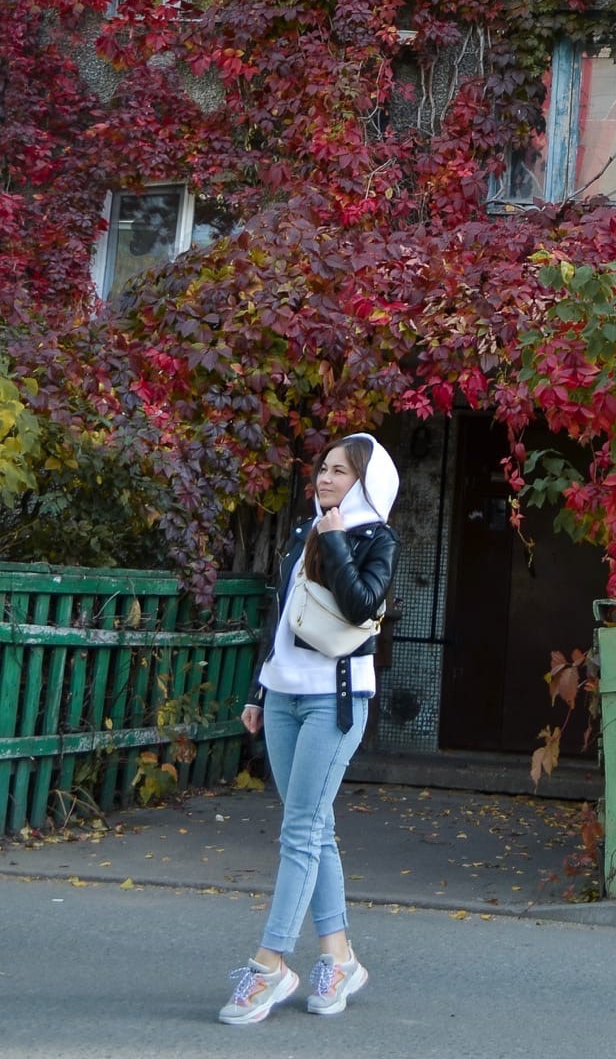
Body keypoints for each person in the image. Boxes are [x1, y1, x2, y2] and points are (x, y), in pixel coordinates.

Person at [218, 433, 399, 1026]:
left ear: (366, 483)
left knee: (298, 829)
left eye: (339, 472)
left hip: (336, 700)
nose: (324, 479)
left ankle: (269, 965)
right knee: (312, 827)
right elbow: (282, 615)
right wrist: (258, 689)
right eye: (322, 470)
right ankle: (338, 957)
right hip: (284, 696)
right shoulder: (303, 531)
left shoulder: (376, 538)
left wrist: (337, 539)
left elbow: (357, 608)